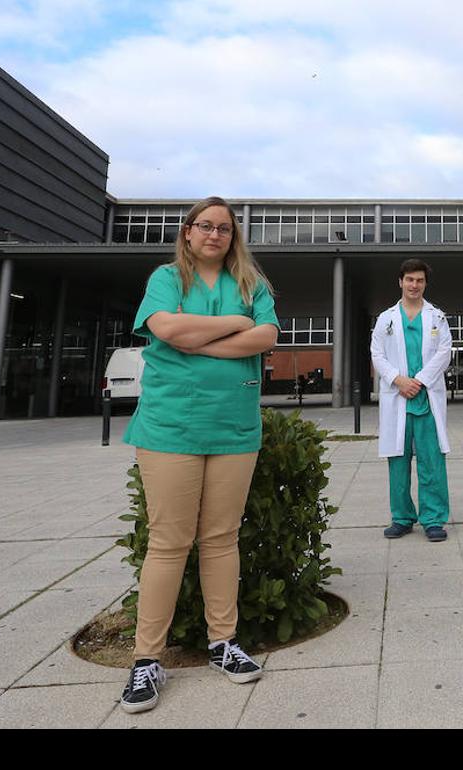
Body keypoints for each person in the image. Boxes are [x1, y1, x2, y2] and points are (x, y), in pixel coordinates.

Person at [120, 197, 280, 714]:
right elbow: (166, 329)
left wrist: (197, 340)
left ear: (234, 238)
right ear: (187, 232)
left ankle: (224, 643)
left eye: (225, 229)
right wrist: (235, 327)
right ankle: (147, 660)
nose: (214, 235)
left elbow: (268, 336)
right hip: (170, 428)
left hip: (234, 427)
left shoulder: (253, 284)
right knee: (169, 543)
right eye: (205, 226)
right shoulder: (166, 278)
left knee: (220, 538)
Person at [371, 259, 453, 543]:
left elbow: (445, 352)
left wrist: (419, 381)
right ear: (400, 282)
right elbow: (377, 354)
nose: (414, 285)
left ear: (425, 284)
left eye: (419, 280)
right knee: (398, 461)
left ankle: (433, 520)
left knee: (431, 461)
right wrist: (398, 380)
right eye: (409, 280)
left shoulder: (437, 317)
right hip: (398, 397)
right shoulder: (386, 318)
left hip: (426, 398)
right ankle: (402, 518)